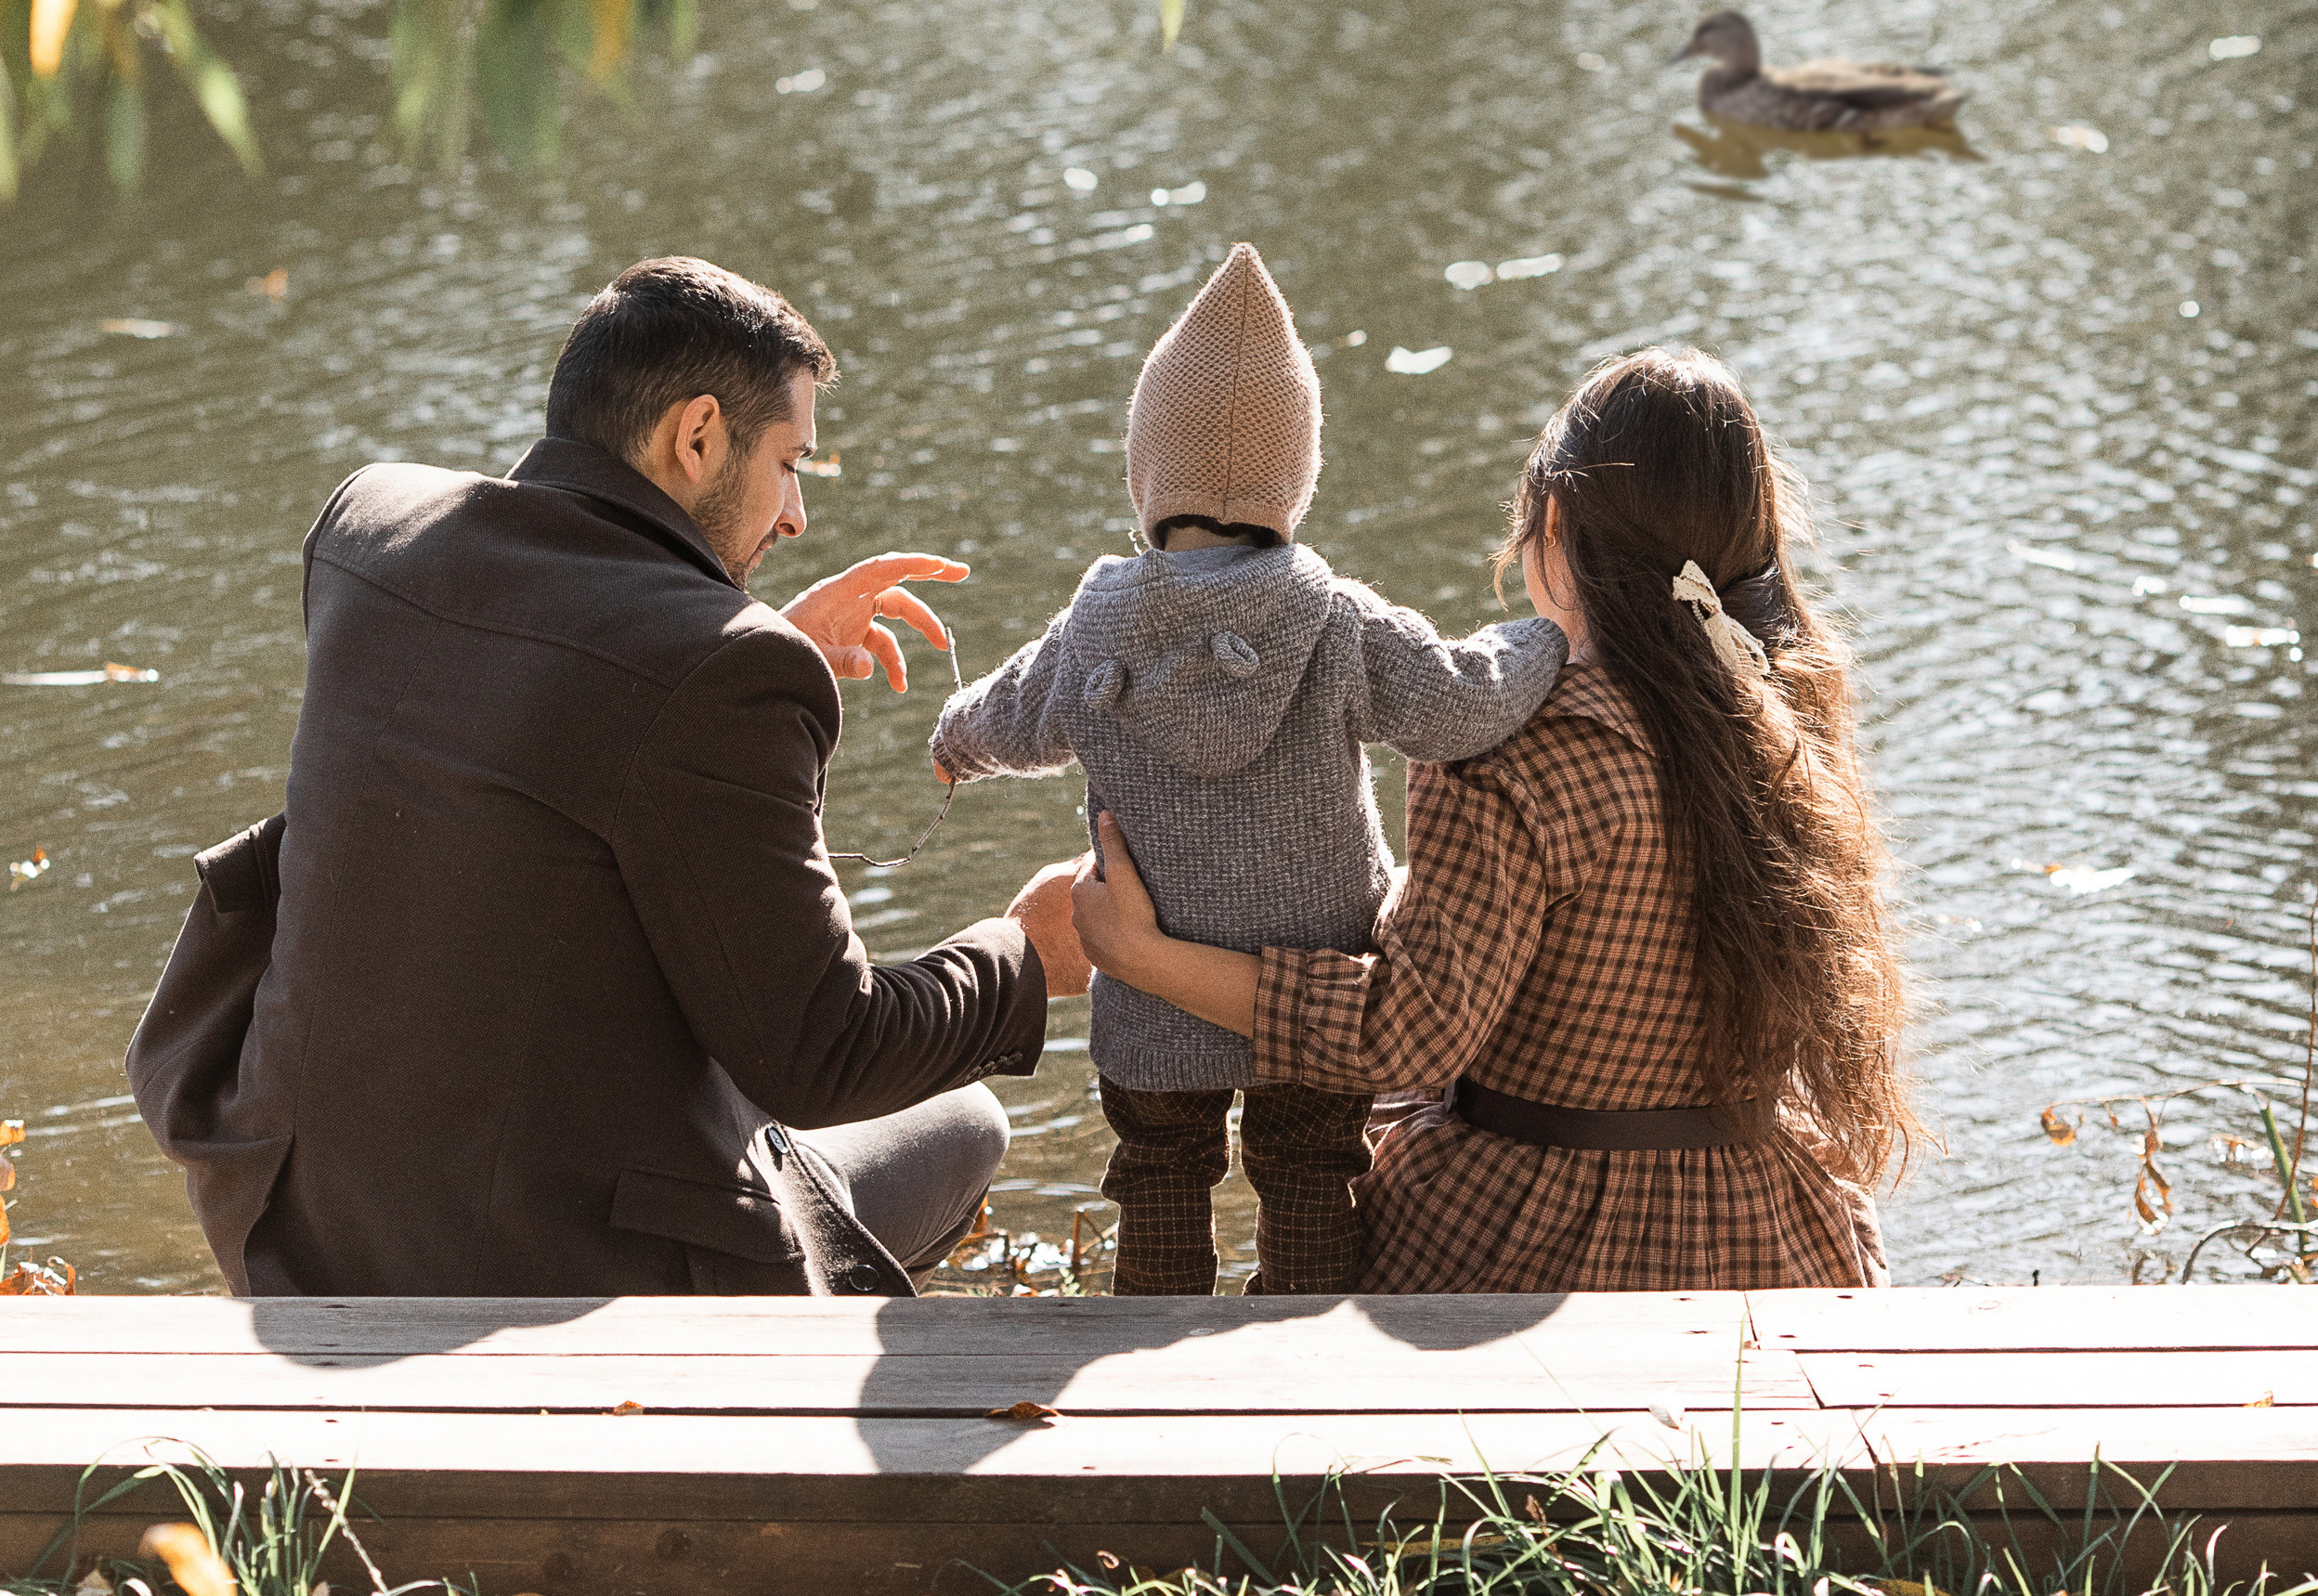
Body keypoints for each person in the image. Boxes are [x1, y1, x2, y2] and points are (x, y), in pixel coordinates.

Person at [129, 256, 1087, 1297]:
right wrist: (1030, 954)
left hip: (299, 1229)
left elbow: (539, 704)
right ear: (697, 435)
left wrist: (747, 642)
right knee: (967, 1124)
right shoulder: (721, 674)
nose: (796, 514)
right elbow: (826, 1055)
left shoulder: (371, 529)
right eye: (790, 462)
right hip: (547, 1276)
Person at [1072, 344, 1916, 1292]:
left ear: (1553, 522)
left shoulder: (1511, 743)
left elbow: (1405, 1031)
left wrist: (1145, 956)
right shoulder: (1780, 715)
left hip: (1531, 1234)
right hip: (1757, 1231)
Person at [929, 244, 1566, 1296]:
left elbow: (1013, 714)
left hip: (1149, 997)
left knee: (1159, 1178)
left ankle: (1154, 1359)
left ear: (1144, 468)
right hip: (1310, 989)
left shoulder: (1096, 625)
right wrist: (1546, 638)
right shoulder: (1335, 620)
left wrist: (954, 738)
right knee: (1313, 1176)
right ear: (1295, 479)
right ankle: (1303, 1366)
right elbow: (1459, 704)